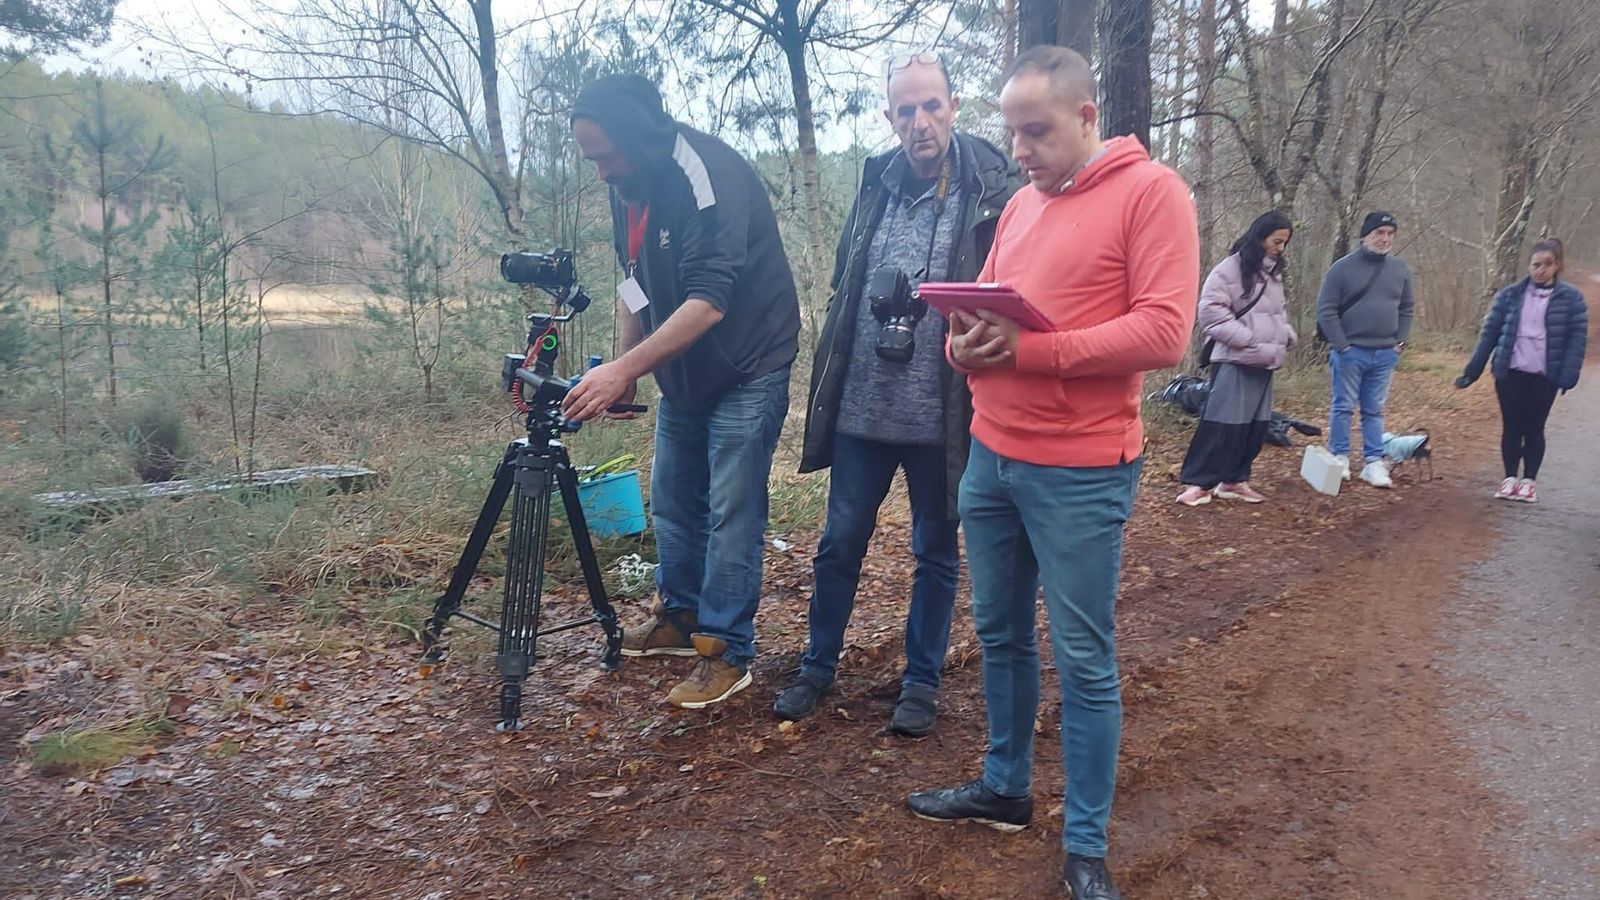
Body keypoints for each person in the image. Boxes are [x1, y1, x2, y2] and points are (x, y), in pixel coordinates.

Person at [903, 46, 1198, 900]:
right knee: (998, 636)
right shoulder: (1023, 207)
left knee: (1084, 658)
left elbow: (1163, 334)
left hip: (1079, 472)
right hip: (992, 460)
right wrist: (963, 342)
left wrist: (1038, 352)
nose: (1021, 149)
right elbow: (986, 308)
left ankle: (1086, 843)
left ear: (1087, 117)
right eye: (1012, 132)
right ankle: (1004, 788)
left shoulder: (1153, 194)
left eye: (1036, 130)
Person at [780, 52, 1021, 735]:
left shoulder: (989, 188)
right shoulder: (874, 185)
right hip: (863, 407)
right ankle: (816, 667)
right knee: (839, 542)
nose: (921, 123)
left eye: (932, 106)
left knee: (936, 550)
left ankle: (920, 682)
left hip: (945, 412)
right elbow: (844, 286)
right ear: (890, 118)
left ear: (953, 106)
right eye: (906, 110)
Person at [565, 75, 800, 709]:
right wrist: (626, 367)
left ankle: (726, 651)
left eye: (605, 156)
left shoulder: (706, 175)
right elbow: (633, 285)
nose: (600, 172)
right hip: (685, 372)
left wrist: (622, 371)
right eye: (591, 159)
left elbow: (707, 303)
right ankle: (681, 616)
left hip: (748, 361)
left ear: (638, 139)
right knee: (671, 499)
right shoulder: (628, 186)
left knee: (731, 509)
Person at [1176, 211, 1297, 506]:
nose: (1280, 248)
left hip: (1266, 360)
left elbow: (1276, 312)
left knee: (1254, 427)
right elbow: (1211, 313)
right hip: (1234, 359)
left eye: (1284, 243)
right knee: (1221, 424)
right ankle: (1198, 484)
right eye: (1276, 241)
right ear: (1259, 237)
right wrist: (1248, 340)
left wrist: (1287, 334)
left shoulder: (1274, 274)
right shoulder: (1227, 270)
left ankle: (1234, 480)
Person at [1454, 238, 1588, 503]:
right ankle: (1509, 478)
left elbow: (1577, 339)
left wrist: (1568, 376)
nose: (1541, 269)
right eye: (1536, 264)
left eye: (1547, 264)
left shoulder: (1571, 299)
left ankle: (1529, 481)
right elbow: (1489, 334)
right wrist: (1472, 371)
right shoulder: (1510, 295)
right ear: (1528, 266)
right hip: (1511, 373)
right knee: (1511, 427)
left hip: (1544, 377)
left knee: (1534, 428)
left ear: (1557, 266)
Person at [1315, 210, 1415, 489]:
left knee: (1374, 409)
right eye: (1379, 233)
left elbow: (1406, 308)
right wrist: (1342, 345)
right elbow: (1326, 310)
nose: (1384, 239)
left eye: (1389, 234)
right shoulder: (1342, 268)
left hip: (1385, 353)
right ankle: (1340, 457)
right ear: (1365, 235)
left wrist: (1400, 341)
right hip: (1350, 351)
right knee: (1343, 406)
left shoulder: (1399, 269)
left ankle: (1373, 462)